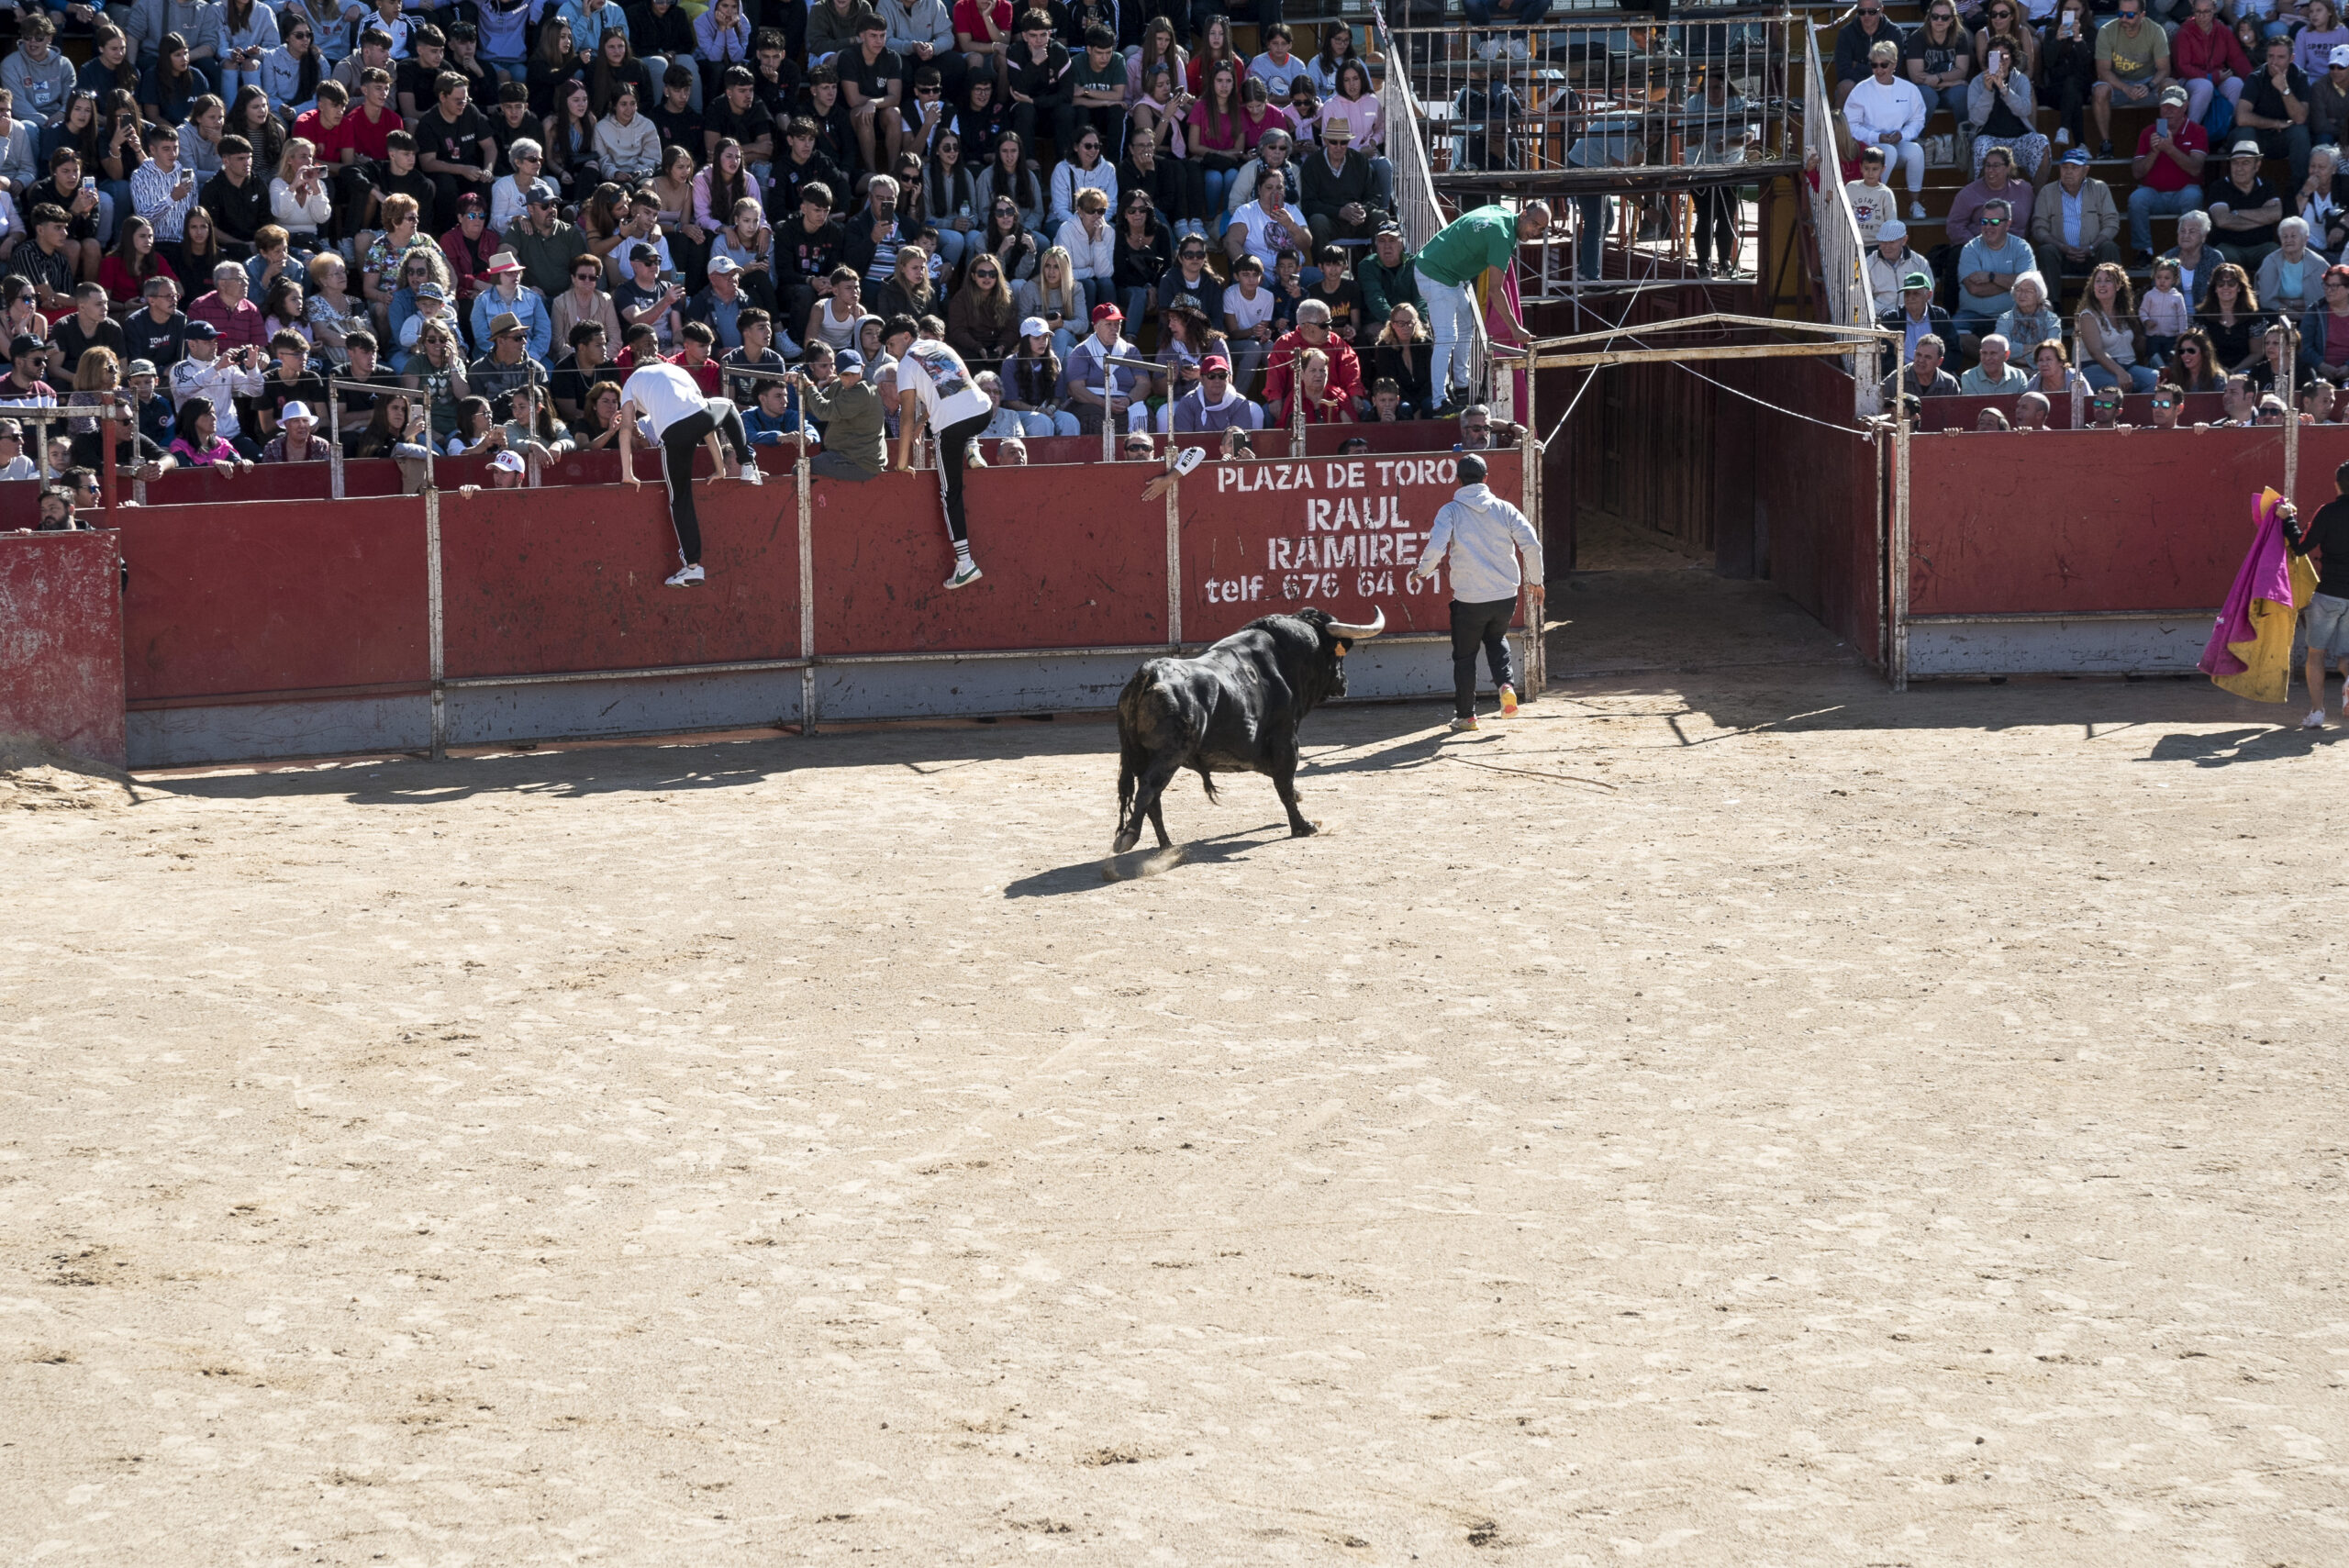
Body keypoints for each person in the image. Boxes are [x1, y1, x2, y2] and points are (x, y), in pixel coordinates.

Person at [1408, 451, 1541, 735]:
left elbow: (1436, 547)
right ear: (1486, 479)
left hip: (1469, 598)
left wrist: (1422, 571)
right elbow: (1532, 545)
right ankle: (1505, 686)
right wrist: (1537, 581)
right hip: (1506, 594)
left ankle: (1467, 716)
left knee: (1465, 657)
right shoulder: (1505, 509)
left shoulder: (1451, 511)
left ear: (1458, 481)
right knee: (1496, 639)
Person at [615, 350, 763, 588]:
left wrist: (627, 472)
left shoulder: (632, 381)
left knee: (680, 499)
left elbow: (625, 429)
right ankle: (747, 464)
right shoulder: (676, 372)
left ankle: (693, 567)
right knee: (727, 405)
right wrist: (719, 468)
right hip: (699, 417)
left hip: (673, 436)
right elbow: (706, 428)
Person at [880, 312, 992, 589]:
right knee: (965, 424)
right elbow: (950, 389)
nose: (891, 353)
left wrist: (902, 463)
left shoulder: (906, 364)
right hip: (983, 412)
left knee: (949, 492)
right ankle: (973, 448)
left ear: (906, 337)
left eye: (892, 345)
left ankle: (965, 563)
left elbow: (905, 416)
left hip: (951, 428)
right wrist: (923, 422)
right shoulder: (941, 346)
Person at [1414, 201, 1544, 415]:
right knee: (1447, 336)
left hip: (1447, 271)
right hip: (1434, 272)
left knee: (1466, 327)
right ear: (1523, 215)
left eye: (1541, 229)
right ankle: (1439, 402)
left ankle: (1462, 387)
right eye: (1534, 224)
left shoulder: (1501, 213)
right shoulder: (1503, 237)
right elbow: (1495, 290)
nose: (1535, 232)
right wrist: (1515, 329)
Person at [2282, 465, 2349, 728]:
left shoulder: (2328, 512)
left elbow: (2300, 547)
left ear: (2337, 485)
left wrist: (2287, 519)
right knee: (2346, 655)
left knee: (2316, 653)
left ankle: (2318, 711)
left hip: (2329, 593)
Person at [1843, 43, 1927, 220]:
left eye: (1884, 65)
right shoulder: (1861, 90)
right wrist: (1876, 137)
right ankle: (1874, 200)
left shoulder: (1909, 89)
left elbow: (1917, 119)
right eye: (1874, 65)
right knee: (1887, 151)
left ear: (1895, 64)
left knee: (1916, 151)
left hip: (1898, 141)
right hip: (1868, 144)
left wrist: (1903, 135)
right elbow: (1851, 124)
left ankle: (1915, 203)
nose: (1879, 70)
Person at [2127, 85, 2209, 261]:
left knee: (2193, 196)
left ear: (2185, 106)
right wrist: (2155, 151)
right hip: (2153, 193)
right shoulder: (2149, 132)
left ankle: (2189, 251)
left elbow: (2196, 168)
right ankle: (2144, 252)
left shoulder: (2197, 131)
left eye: (2174, 106)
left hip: (2184, 192)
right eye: (2165, 106)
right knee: (2137, 198)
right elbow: (2137, 173)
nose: (2169, 111)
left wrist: (2170, 149)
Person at [2029, 147, 2120, 285]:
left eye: (2074, 167)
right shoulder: (2047, 192)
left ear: (2086, 170)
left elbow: (2112, 223)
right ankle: (2052, 305)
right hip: (2061, 255)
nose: (2068, 172)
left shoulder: (2099, 188)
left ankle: (2112, 303)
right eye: (2065, 167)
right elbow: (2038, 228)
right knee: (2045, 251)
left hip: (2093, 254)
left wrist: (2091, 248)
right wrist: (2062, 247)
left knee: (2109, 247)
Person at [2092, 0, 2170, 158]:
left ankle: (2164, 139)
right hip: (2118, 84)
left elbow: (2165, 69)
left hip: (2147, 83)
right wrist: (2125, 88)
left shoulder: (2156, 30)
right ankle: (2106, 144)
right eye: (2121, 14)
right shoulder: (2106, 31)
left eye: (2130, 15)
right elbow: (2103, 71)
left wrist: (2149, 85)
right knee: (2099, 91)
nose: (2124, 19)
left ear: (2142, 15)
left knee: (2171, 88)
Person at [794, 349, 883, 481]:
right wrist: (801, 387)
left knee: (800, 469)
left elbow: (823, 411)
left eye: (855, 373)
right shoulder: (838, 385)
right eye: (846, 374)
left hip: (860, 463)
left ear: (862, 368)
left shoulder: (863, 391)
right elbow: (814, 406)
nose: (851, 378)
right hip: (845, 456)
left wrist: (809, 386)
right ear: (837, 373)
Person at [1881, 331, 1961, 398]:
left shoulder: (1950, 384)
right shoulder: (1896, 379)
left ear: (1939, 361)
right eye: (1918, 355)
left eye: (1928, 357)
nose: (1921, 360)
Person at [1960, 332, 2031, 393]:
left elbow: (2021, 406)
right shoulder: (1968, 377)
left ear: (2006, 355)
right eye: (1984, 353)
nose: (1987, 358)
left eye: (1993, 353)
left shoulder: (2019, 376)